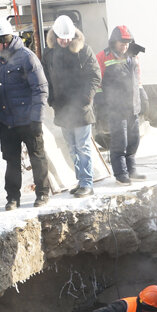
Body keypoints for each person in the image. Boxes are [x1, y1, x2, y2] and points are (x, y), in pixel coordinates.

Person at [0, 17, 53, 210]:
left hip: (28, 119)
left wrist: (36, 118)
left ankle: (42, 193)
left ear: (6, 40)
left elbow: (40, 88)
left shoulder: (27, 57)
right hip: (7, 120)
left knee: (37, 156)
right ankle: (12, 197)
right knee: (11, 160)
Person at [42, 14, 101, 198]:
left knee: (82, 146)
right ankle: (80, 180)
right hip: (62, 109)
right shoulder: (49, 54)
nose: (65, 41)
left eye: (68, 38)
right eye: (61, 38)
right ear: (55, 36)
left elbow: (95, 75)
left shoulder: (84, 51)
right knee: (72, 148)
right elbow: (46, 79)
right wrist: (51, 99)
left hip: (81, 107)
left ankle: (87, 183)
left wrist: (86, 97)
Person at [96, 25, 148, 185]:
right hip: (115, 107)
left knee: (134, 140)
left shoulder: (133, 55)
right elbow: (97, 80)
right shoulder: (103, 56)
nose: (125, 46)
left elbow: (137, 78)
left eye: (127, 42)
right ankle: (120, 174)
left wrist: (142, 95)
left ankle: (131, 170)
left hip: (132, 105)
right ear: (113, 41)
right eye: (121, 42)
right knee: (120, 141)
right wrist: (100, 101)